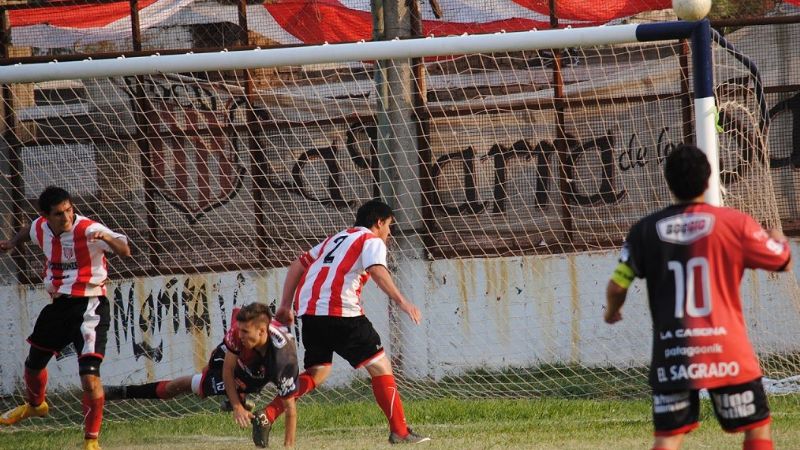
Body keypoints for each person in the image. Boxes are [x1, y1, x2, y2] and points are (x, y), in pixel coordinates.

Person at [604, 144, 791, 450]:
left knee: (667, 438)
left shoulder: (644, 232)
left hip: (673, 354)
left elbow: (616, 286)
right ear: (708, 181)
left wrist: (612, 311)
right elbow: (781, 260)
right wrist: (778, 240)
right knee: (757, 429)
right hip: (727, 353)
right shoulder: (735, 224)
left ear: (668, 182)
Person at [263, 199, 430, 444]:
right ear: (378, 222)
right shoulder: (371, 240)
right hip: (341, 313)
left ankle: (268, 414)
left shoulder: (335, 238)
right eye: (389, 226)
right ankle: (400, 431)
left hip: (309, 314)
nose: (389, 233)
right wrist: (402, 301)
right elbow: (377, 269)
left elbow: (297, 265)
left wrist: (285, 305)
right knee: (381, 367)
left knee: (318, 372)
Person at [0, 186, 132, 450]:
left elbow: (125, 249)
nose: (67, 217)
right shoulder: (42, 228)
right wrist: (13, 242)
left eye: (70, 210)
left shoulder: (87, 229)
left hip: (90, 306)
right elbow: (31, 230)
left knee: (89, 378)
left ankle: (91, 442)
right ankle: (36, 406)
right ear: (46, 216)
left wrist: (107, 237)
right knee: (33, 365)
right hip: (58, 307)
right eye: (60, 214)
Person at [104, 302, 299, 448]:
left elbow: (290, 409)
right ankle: (121, 392)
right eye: (239, 330)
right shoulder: (238, 336)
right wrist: (238, 407)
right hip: (233, 365)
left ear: (262, 331)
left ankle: (239, 396)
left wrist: (288, 447)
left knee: (189, 386)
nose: (240, 335)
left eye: (245, 331)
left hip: (257, 375)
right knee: (180, 386)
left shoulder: (283, 360)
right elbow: (227, 370)